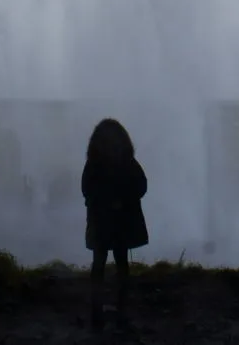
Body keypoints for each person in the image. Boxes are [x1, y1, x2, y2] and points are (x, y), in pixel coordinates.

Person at [81, 118, 148, 330]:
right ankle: (121, 312)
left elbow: (87, 189)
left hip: (102, 223)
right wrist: (122, 201)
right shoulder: (127, 162)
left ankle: (97, 314)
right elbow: (141, 186)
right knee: (121, 266)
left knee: (99, 266)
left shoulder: (94, 163)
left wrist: (102, 202)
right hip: (121, 222)